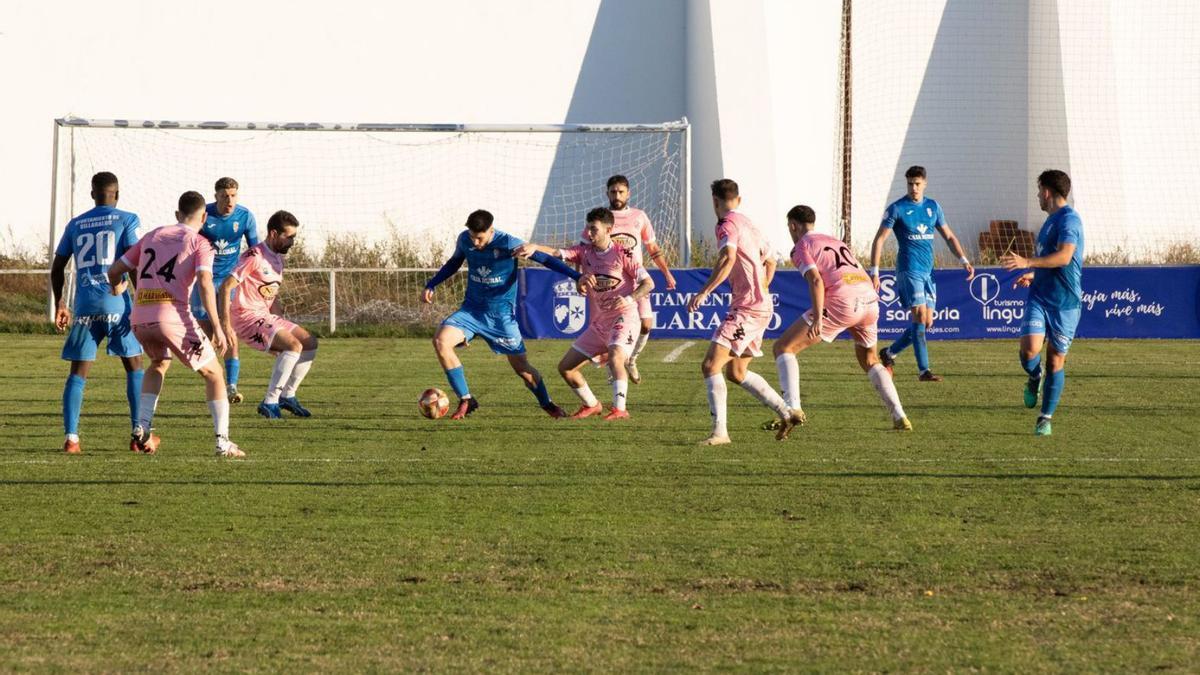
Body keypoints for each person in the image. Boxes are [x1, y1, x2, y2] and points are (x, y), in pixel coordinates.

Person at [106, 191, 245, 458]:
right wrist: (217, 326)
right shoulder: (200, 242)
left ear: (176, 215)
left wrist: (118, 288)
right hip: (172, 316)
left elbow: (114, 272)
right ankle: (222, 442)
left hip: (140, 316)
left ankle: (142, 427)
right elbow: (205, 283)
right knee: (214, 374)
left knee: (159, 363)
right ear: (204, 217)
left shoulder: (151, 236)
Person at [422, 209, 582, 419]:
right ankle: (466, 399)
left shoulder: (508, 243)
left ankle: (547, 404)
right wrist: (432, 284)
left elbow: (545, 259)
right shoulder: (465, 239)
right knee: (441, 341)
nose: (476, 243)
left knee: (522, 369)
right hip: (471, 312)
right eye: (472, 237)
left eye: (480, 238)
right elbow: (454, 262)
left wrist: (576, 276)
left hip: (501, 318)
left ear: (491, 231)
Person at [770, 205, 911, 431]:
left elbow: (816, 280)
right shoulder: (835, 240)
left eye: (789, 228)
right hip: (869, 299)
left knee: (783, 348)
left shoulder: (801, 246)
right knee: (870, 360)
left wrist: (817, 316)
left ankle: (792, 407)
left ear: (793, 226)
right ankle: (899, 415)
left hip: (842, 300)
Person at [686, 179, 804, 445]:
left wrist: (704, 291)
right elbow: (772, 258)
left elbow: (727, 258)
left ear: (714, 201)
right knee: (736, 372)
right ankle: (787, 412)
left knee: (710, 365)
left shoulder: (726, 225)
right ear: (738, 200)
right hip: (760, 305)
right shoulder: (749, 224)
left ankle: (720, 433)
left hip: (747, 309)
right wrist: (763, 284)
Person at [518, 207, 654, 420]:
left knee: (616, 357)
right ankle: (592, 404)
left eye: (594, 229)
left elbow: (648, 283)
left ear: (608, 230)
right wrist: (534, 247)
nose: (589, 233)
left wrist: (628, 298)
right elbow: (556, 253)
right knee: (566, 368)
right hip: (600, 323)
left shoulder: (622, 253)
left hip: (624, 317)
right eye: (588, 228)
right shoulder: (585, 253)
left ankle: (620, 408)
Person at [49, 172, 144, 454]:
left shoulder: (76, 224)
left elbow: (57, 267)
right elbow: (135, 263)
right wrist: (141, 300)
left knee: (78, 373)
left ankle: (71, 438)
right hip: (117, 304)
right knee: (135, 367)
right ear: (117, 193)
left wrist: (60, 305)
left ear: (93, 194)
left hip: (86, 307)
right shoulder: (127, 219)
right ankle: (138, 436)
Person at [868, 166, 974, 381]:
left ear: (925, 183)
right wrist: (875, 272)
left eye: (917, 184)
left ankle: (889, 353)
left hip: (928, 272)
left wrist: (963, 259)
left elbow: (949, 237)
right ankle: (924, 370)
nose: (914, 188)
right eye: (910, 184)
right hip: (908, 269)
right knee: (917, 315)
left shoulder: (933, 207)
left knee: (926, 322)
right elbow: (879, 239)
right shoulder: (897, 208)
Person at [1001, 169, 1084, 436]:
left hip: (1065, 303)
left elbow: (1064, 257)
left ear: (1047, 191)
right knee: (1028, 352)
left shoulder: (1069, 220)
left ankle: (1044, 418)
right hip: (1039, 296)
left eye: (1039, 191)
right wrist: (1034, 273)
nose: (1038, 195)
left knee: (1055, 362)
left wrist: (1028, 262)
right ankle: (1034, 377)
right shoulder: (1049, 221)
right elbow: (1052, 263)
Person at [218, 210, 318, 420]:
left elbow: (271, 296)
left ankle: (287, 396)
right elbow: (226, 286)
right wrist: (225, 325)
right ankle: (270, 401)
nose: (292, 241)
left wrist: (281, 325)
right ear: (274, 234)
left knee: (309, 342)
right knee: (294, 346)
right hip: (247, 318)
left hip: (264, 316)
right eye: (289, 237)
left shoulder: (277, 259)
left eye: (294, 237)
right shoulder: (255, 256)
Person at [581, 175, 677, 384]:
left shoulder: (639, 216)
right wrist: (581, 277)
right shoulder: (600, 220)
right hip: (607, 284)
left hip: (635, 281)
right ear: (607, 193)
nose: (617, 195)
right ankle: (613, 370)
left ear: (628, 193)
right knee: (607, 326)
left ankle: (632, 359)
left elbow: (652, 248)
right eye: (613, 192)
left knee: (647, 325)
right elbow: (581, 252)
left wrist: (666, 272)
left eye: (621, 191)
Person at [191, 177, 259, 404]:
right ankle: (214, 379)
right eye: (224, 196)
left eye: (233, 195)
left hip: (229, 282)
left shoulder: (245, 216)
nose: (229, 200)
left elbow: (254, 251)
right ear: (216, 196)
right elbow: (189, 243)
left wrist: (253, 281)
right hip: (205, 281)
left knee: (229, 331)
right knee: (206, 336)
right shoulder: (204, 216)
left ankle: (230, 385)